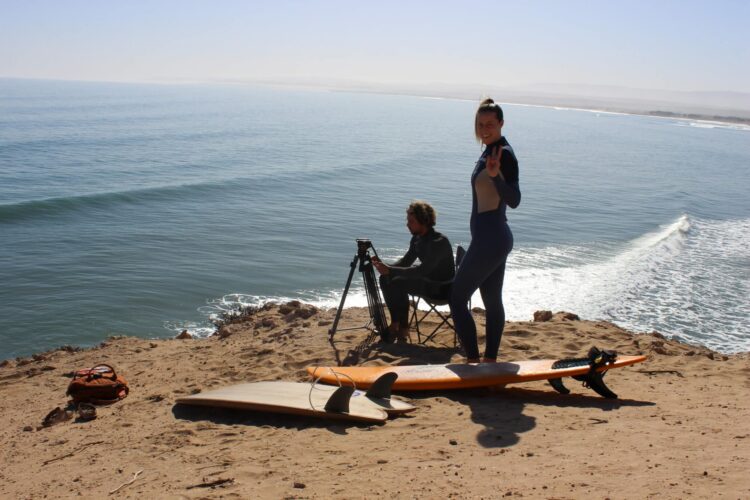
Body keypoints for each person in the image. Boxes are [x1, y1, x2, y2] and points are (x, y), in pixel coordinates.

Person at [450, 98, 521, 363]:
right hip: (490, 238)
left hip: (491, 239)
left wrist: (494, 177)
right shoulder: (488, 150)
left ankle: (473, 360)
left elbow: (514, 200)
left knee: (457, 298)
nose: (484, 128)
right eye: (480, 124)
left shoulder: (504, 153)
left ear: (501, 123)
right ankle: (489, 361)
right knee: (492, 302)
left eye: (490, 123)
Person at [372, 201, 455, 343]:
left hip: (441, 289)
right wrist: (385, 267)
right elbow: (406, 263)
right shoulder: (417, 238)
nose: (407, 224)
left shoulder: (438, 242)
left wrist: (391, 270)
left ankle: (403, 329)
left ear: (424, 221)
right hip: (427, 281)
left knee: (397, 282)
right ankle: (396, 323)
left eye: (411, 221)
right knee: (385, 278)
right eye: (407, 220)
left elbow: (421, 271)